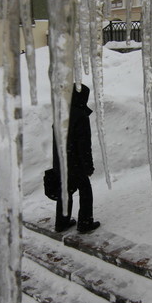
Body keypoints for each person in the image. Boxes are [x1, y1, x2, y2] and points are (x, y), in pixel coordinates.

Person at [52, 84, 101, 234]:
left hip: (62, 162)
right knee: (85, 191)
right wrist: (88, 166)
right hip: (76, 164)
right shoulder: (80, 115)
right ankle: (85, 223)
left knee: (65, 192)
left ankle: (61, 223)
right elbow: (84, 145)